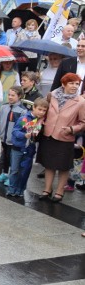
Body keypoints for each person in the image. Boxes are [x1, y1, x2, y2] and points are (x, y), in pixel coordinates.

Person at [37, 73, 85, 202]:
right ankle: (47, 189)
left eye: (77, 84)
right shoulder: (52, 95)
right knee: (49, 164)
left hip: (65, 138)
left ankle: (59, 191)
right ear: (63, 84)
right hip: (49, 134)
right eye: (71, 83)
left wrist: (71, 129)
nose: (75, 86)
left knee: (63, 166)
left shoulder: (80, 101)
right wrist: (39, 124)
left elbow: (83, 122)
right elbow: (44, 112)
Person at [8, 98, 48, 198]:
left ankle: (20, 190)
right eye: (39, 109)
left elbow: (37, 137)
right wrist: (24, 135)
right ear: (33, 107)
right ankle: (11, 189)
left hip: (29, 149)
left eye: (44, 110)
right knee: (14, 170)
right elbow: (15, 132)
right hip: (18, 148)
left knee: (25, 171)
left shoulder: (41, 122)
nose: (42, 112)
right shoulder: (24, 119)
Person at [0, 86, 26, 182]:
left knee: (13, 158)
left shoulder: (22, 111)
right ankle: (5, 173)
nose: (10, 97)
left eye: (13, 95)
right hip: (4, 138)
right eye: (9, 95)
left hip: (14, 140)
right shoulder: (4, 107)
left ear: (19, 96)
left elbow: (23, 126)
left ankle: (12, 176)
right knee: (6, 157)